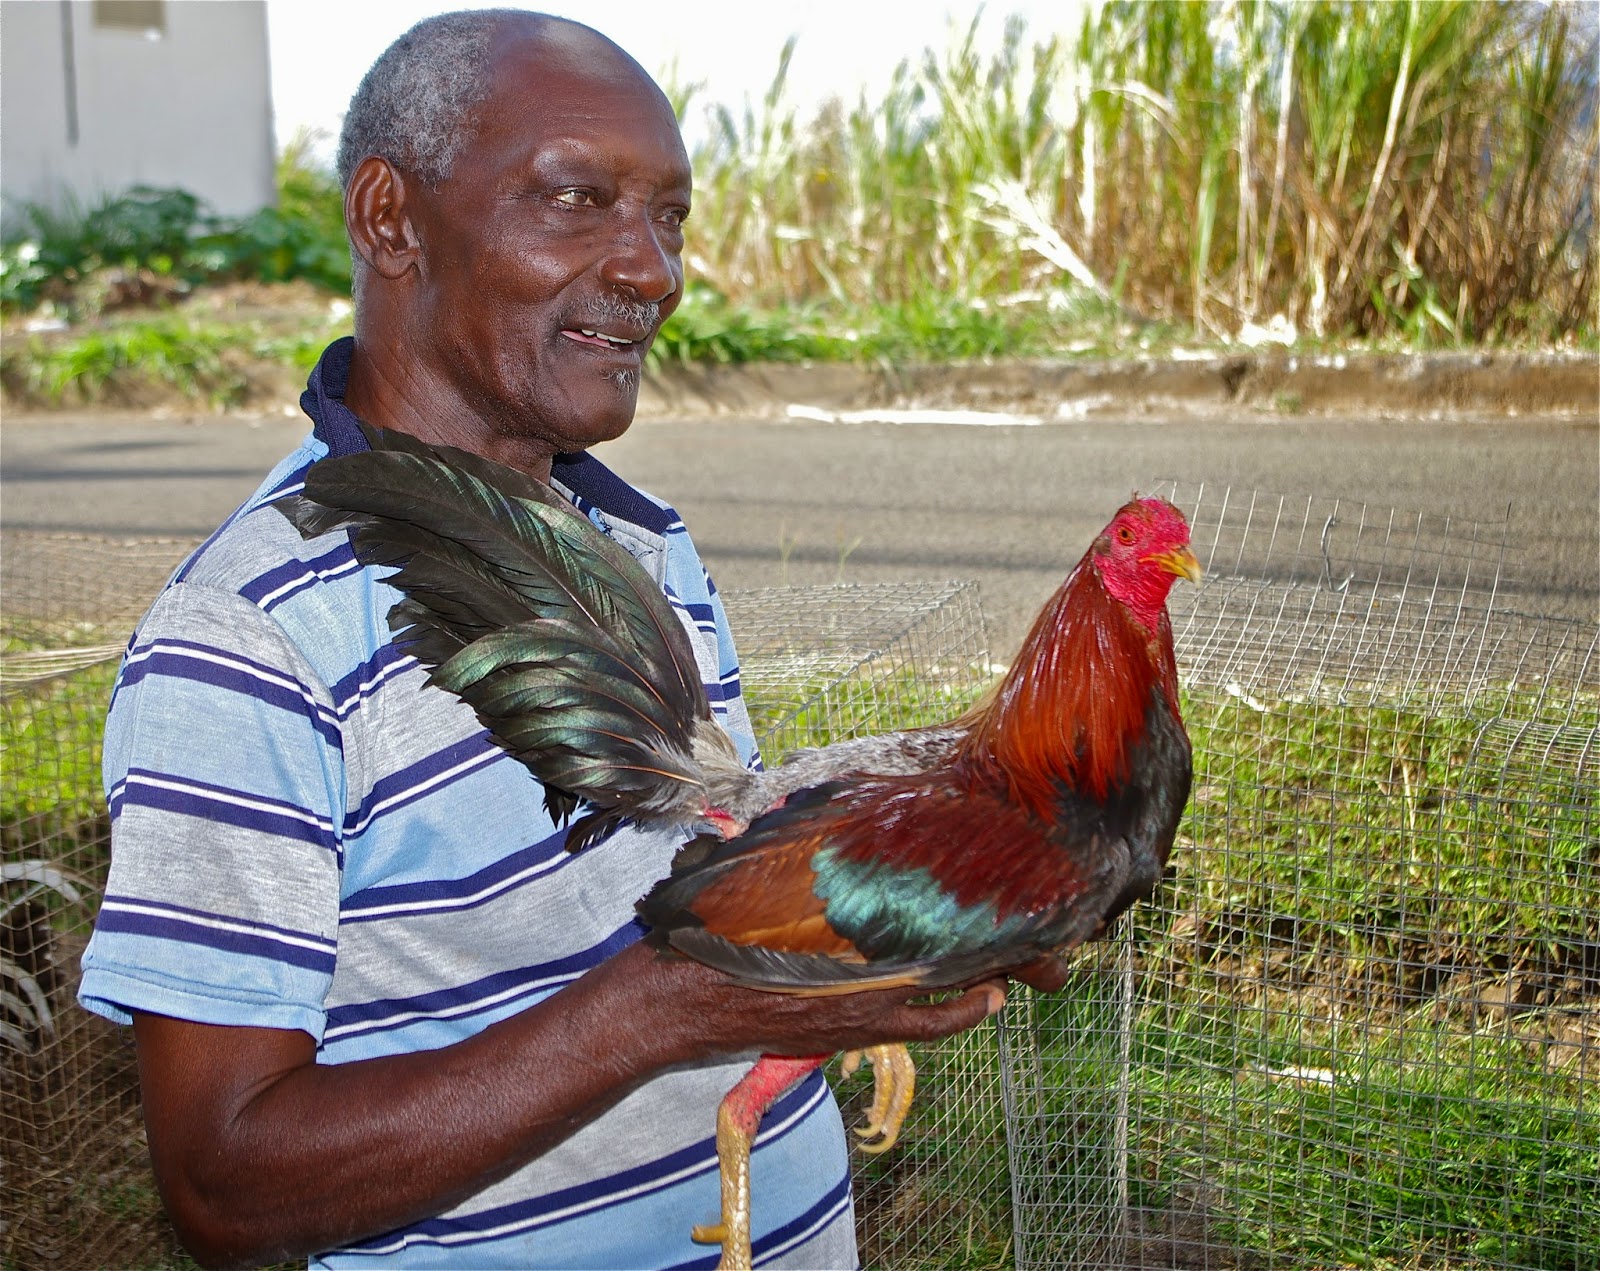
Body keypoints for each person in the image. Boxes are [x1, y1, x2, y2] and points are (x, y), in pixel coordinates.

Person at [77, 11, 1013, 1268]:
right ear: (391, 219)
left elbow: (694, 874)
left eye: (670, 216)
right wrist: (659, 1010)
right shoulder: (249, 634)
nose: (653, 271)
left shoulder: (638, 538)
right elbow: (225, 1184)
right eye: (577, 200)